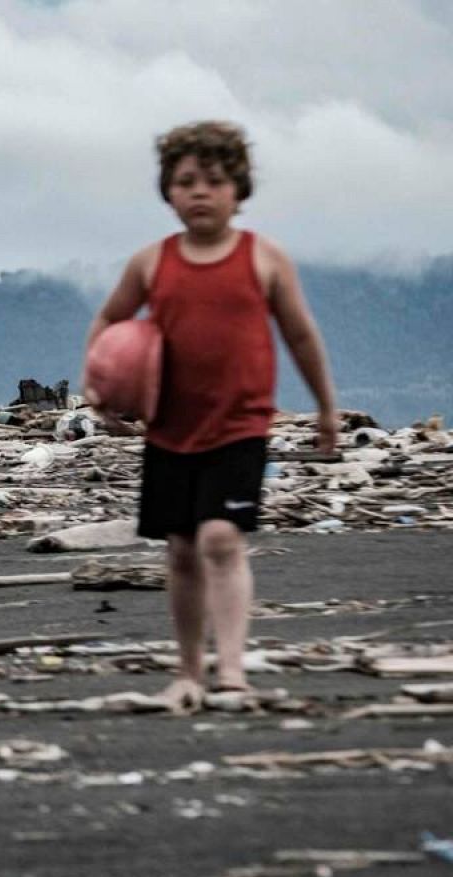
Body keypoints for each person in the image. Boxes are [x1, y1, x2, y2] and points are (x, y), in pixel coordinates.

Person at [84, 121, 338, 711]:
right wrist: (99, 386)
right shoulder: (151, 263)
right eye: (186, 182)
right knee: (180, 550)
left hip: (239, 427)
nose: (201, 192)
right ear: (168, 192)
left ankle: (232, 671)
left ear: (239, 191)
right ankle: (189, 671)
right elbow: (109, 321)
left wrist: (326, 407)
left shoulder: (264, 258)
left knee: (221, 540)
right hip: (169, 430)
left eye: (216, 181)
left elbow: (300, 334)